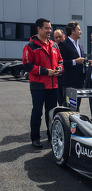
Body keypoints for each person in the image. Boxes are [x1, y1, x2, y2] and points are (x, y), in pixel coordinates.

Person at [22, 18, 63, 148]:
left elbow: (60, 61)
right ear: (39, 29)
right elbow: (27, 66)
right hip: (38, 85)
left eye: (50, 28)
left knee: (51, 113)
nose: (49, 31)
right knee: (37, 112)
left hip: (53, 85)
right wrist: (46, 72)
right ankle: (35, 138)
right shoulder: (30, 46)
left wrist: (59, 69)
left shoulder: (54, 44)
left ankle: (51, 136)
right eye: (46, 28)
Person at [58, 21, 85, 110]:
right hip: (69, 82)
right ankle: (67, 123)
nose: (80, 32)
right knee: (69, 107)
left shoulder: (80, 45)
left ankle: (74, 124)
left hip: (80, 81)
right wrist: (75, 61)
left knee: (77, 107)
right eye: (79, 29)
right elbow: (61, 63)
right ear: (72, 31)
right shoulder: (63, 44)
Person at [53, 29, 65, 106]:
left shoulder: (68, 47)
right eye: (56, 37)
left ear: (64, 36)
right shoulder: (52, 48)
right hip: (56, 79)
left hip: (67, 79)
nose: (58, 39)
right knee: (60, 101)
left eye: (60, 37)